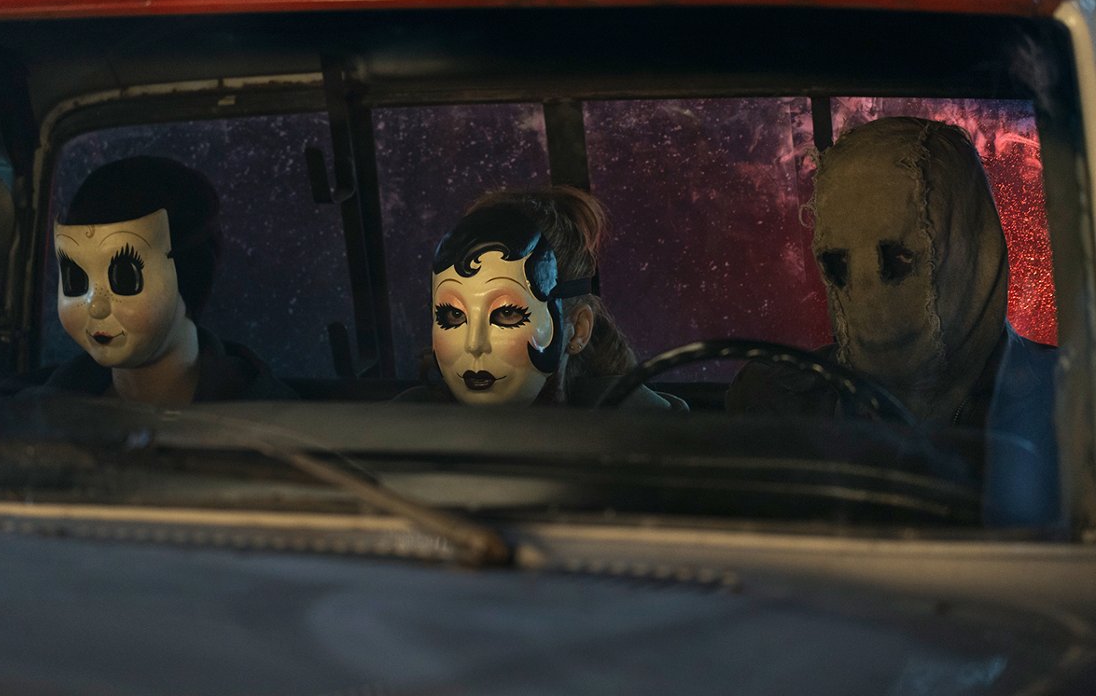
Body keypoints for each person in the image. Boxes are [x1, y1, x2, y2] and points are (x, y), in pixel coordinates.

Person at [726, 117, 1057, 524]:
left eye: (900, 258)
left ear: (967, 252)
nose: (865, 292)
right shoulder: (775, 397)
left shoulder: (1067, 402)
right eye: (837, 263)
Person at [398, 185, 684, 410]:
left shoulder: (649, 438)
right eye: (453, 314)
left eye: (506, 313)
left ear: (578, 329)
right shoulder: (397, 431)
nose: (473, 345)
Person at [37, 156, 292, 404]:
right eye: (75, 278)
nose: (96, 306)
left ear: (188, 274)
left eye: (125, 278)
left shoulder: (270, 417)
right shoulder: (45, 407)